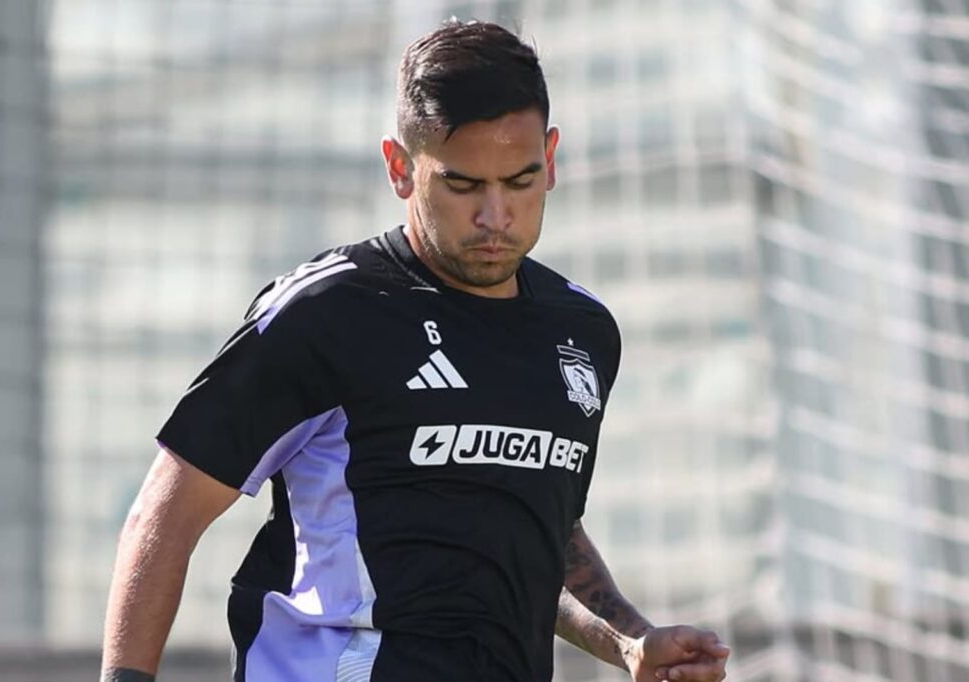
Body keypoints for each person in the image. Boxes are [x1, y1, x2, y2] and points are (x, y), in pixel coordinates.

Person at [101, 19, 730, 682]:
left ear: (551, 157)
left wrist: (628, 639)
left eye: (519, 182)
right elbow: (165, 517)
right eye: (462, 186)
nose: (495, 216)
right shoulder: (326, 314)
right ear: (400, 168)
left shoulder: (582, 333)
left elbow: (532, 535)